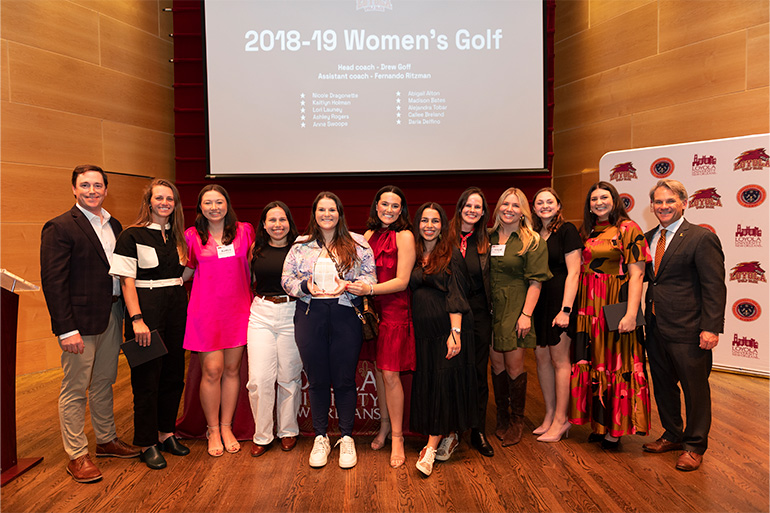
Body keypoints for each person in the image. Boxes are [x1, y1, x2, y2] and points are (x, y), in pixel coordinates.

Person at [40, 165, 140, 483]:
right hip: (79, 323)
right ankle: (77, 454)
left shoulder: (115, 225)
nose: (92, 191)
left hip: (112, 313)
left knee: (103, 382)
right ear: (74, 189)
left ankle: (106, 440)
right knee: (75, 387)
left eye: (98, 185)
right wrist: (65, 329)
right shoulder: (59, 227)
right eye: (85, 185)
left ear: (106, 190)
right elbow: (53, 282)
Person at [281, 192, 376, 469]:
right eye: (321, 210)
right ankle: (320, 436)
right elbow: (286, 279)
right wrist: (305, 287)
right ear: (314, 213)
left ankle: (346, 437)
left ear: (339, 213)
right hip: (311, 316)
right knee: (318, 380)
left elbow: (370, 276)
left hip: (346, 315)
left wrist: (349, 285)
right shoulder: (300, 246)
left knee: (345, 379)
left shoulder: (358, 243)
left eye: (331, 209)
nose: (326, 214)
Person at [642, 179, 726, 471]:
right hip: (655, 326)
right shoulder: (648, 238)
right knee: (663, 386)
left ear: (684, 203)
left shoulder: (701, 238)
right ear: (652, 206)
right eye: (658, 202)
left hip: (689, 329)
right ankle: (672, 434)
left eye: (670, 201)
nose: (663, 206)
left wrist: (711, 328)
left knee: (695, 390)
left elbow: (714, 286)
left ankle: (694, 445)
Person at [110, 178, 190, 469]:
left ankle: (166, 433)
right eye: (159, 198)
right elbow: (127, 282)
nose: (164, 203)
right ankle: (146, 442)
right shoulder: (131, 235)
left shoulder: (178, 237)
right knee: (146, 380)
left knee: (173, 375)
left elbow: (184, 273)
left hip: (176, 310)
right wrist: (137, 320)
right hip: (145, 312)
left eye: (170, 199)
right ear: (149, 202)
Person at [569, 181, 651, 449]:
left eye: (604, 197)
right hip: (588, 306)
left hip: (615, 303)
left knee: (616, 364)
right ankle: (600, 424)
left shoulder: (629, 228)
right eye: (594, 199)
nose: (599, 203)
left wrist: (630, 314)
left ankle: (615, 430)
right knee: (595, 363)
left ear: (615, 200)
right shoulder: (586, 231)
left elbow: (637, 275)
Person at [183, 185, 255, 457]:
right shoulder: (191, 236)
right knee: (212, 370)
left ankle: (226, 427)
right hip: (206, 312)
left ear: (227, 204)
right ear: (200, 207)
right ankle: (212, 429)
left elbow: (254, 266)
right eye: (208, 203)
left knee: (233, 370)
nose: (214, 207)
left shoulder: (244, 231)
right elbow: (187, 271)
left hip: (238, 310)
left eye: (219, 202)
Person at [347, 186, 416, 469]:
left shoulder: (405, 236)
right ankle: (385, 426)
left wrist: (370, 289)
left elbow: (402, 281)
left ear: (402, 210)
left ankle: (398, 437)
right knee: (379, 371)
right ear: (376, 206)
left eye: (395, 205)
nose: (389, 210)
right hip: (373, 312)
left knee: (390, 374)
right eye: (384, 204)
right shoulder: (367, 235)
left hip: (396, 310)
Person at [409, 203, 478, 477]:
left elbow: (456, 294)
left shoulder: (451, 254)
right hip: (424, 334)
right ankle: (449, 434)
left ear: (443, 225)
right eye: (424, 220)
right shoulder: (414, 254)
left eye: (435, 221)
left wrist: (455, 333)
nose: (429, 226)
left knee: (442, 383)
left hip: (448, 330)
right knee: (435, 384)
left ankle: (430, 448)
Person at [489, 187, 551, 447]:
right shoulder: (488, 237)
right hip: (490, 307)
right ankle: (502, 417)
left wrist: (526, 315)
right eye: (505, 204)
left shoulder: (532, 241)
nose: (509, 209)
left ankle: (517, 421)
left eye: (515, 205)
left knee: (514, 366)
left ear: (523, 211)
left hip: (516, 306)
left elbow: (536, 282)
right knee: (496, 366)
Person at [247, 201, 302, 457]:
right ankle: (262, 435)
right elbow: (249, 281)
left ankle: (288, 431)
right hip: (261, 313)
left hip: (292, 312)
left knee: (289, 376)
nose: (277, 225)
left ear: (289, 223)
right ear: (264, 224)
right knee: (259, 379)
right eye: (272, 220)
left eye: (282, 219)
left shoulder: (299, 249)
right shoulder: (255, 249)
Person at [443, 187, 494, 458]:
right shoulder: (444, 237)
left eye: (478, 207)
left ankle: (478, 430)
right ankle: (450, 430)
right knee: (450, 372)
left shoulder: (487, 240)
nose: (472, 210)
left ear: (483, 212)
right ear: (460, 207)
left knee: (477, 373)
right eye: (469, 205)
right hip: (449, 312)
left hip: (479, 315)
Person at [531, 187, 581, 442]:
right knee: (541, 359)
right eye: (539, 202)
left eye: (549, 201)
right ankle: (550, 413)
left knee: (560, 361)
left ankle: (562, 419)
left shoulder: (567, 230)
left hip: (560, 302)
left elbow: (574, 272)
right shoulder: (532, 233)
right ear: (533, 207)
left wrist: (566, 310)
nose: (545, 206)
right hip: (538, 302)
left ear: (559, 205)